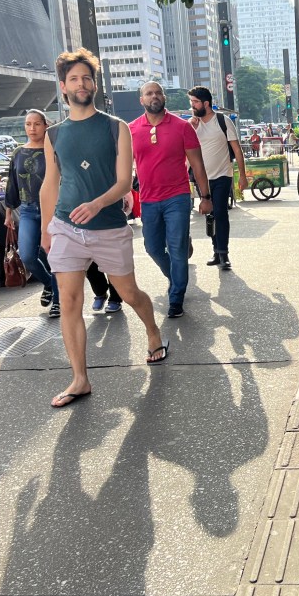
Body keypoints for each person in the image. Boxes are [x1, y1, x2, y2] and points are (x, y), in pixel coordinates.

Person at [40, 47, 167, 409]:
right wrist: (48, 230)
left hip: (109, 227)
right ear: (64, 87)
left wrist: (97, 203)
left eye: (87, 78)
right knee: (69, 300)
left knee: (129, 293)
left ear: (94, 85)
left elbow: (125, 181)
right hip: (66, 227)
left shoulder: (116, 127)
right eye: (74, 79)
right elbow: (50, 185)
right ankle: (80, 379)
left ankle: (153, 332)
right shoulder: (53, 134)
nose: (82, 84)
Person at [131, 81, 212, 318]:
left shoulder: (182, 127)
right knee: (153, 248)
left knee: (176, 248)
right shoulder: (131, 129)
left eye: (158, 92)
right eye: (149, 93)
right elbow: (124, 166)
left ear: (164, 97)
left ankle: (176, 298)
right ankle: (175, 277)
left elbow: (198, 165)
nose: (154, 96)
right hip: (148, 199)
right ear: (142, 100)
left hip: (177, 197)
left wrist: (205, 197)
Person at [4, 110, 60, 317]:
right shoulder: (18, 152)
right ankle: (48, 284)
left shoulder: (54, 150)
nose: (32, 128)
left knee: (54, 256)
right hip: (27, 210)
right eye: (28, 124)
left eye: (37, 124)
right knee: (27, 256)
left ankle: (58, 301)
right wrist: (8, 213)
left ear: (45, 126)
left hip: (53, 209)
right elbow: (12, 183)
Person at [188, 86, 248, 271]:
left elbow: (237, 149)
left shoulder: (223, 121)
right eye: (191, 102)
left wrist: (242, 175)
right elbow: (186, 151)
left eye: (195, 102)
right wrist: (191, 129)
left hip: (222, 175)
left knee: (220, 213)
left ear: (206, 103)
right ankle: (216, 251)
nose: (192, 105)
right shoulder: (192, 125)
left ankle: (224, 254)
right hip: (202, 179)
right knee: (210, 214)